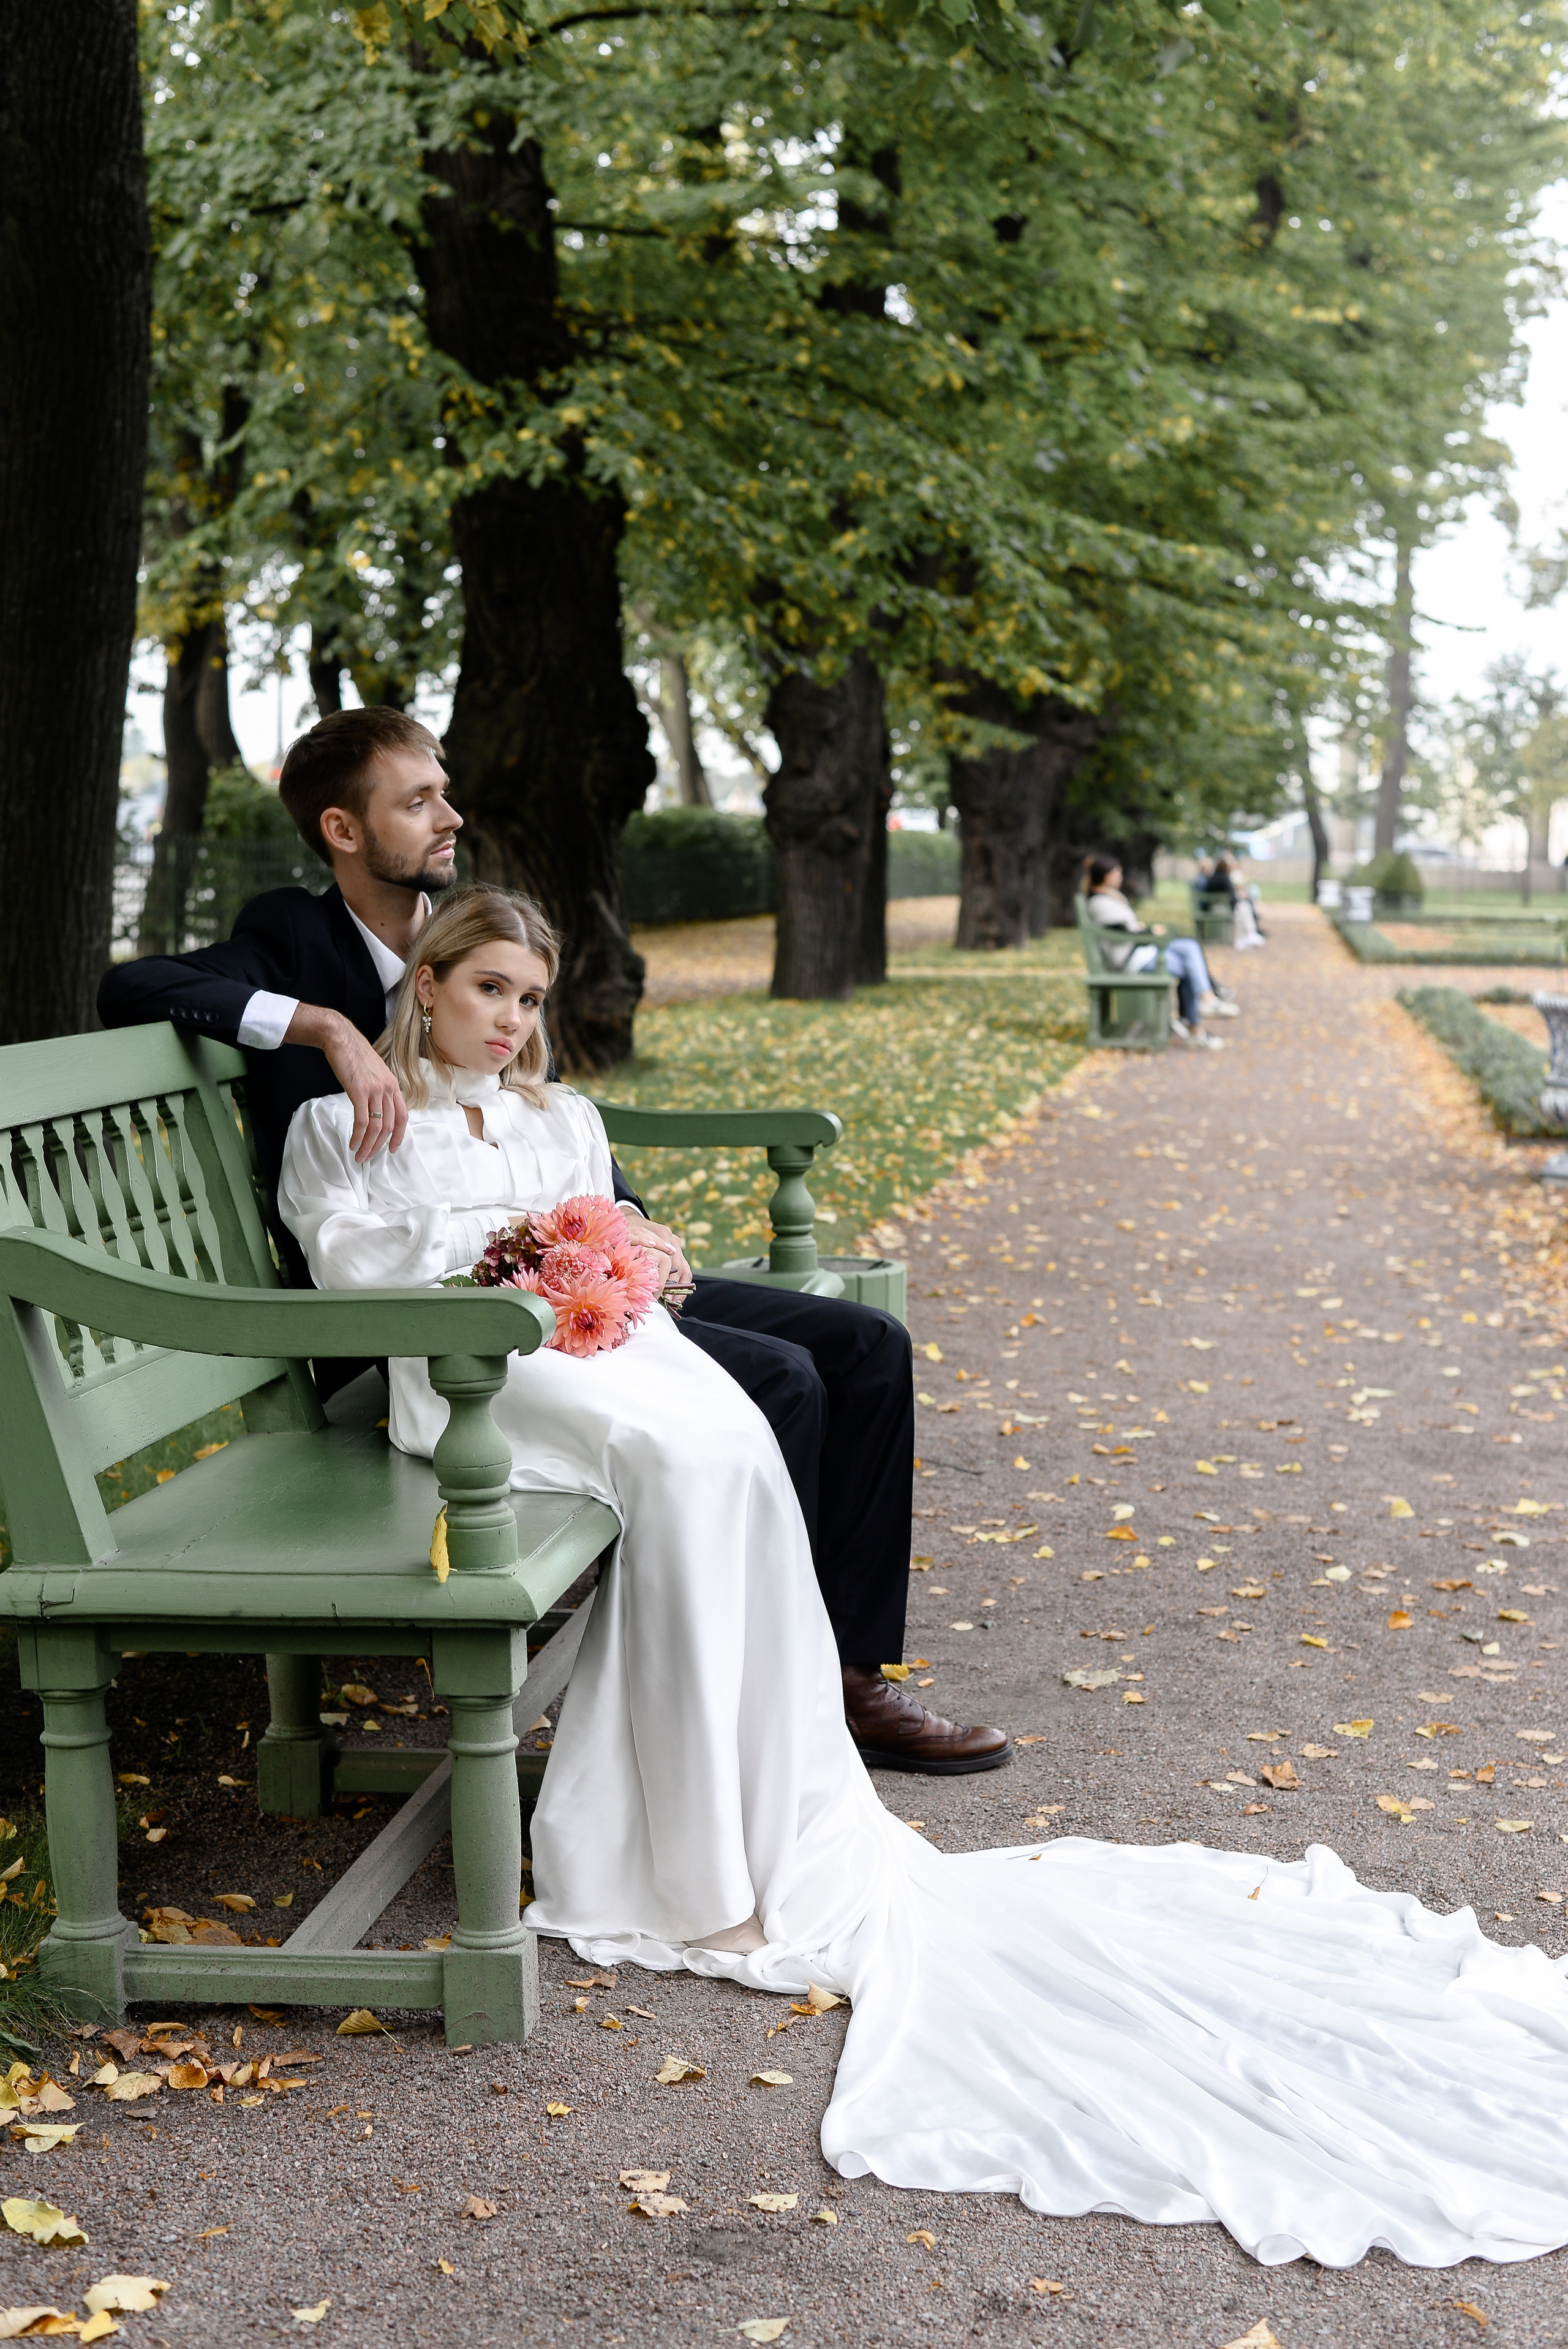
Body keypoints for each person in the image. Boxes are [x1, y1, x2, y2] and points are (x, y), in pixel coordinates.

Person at [279, 884, 1568, 2271]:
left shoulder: (561, 1115)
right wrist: (507, 1262)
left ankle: (773, 1740)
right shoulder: (340, 1118)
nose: (511, 1021)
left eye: (529, 999)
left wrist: (602, 1251)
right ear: (426, 985)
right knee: (707, 1442)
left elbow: (616, 1238)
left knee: (727, 1439)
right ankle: (706, 1773)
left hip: (598, 1344)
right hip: (462, 1377)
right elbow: (346, 1266)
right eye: (487, 992)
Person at [97, 709, 1005, 1777]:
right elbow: (134, 986)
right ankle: (765, 1692)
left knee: (866, 1346)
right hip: (429, 1316)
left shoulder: (475, 933)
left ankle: (848, 1676)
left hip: (567, 1267)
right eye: (418, 799)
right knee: (785, 1378)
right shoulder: (293, 942)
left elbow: (537, 1123)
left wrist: (629, 1220)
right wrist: (324, 1026)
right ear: (343, 828)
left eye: (444, 788)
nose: (451, 812)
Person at [1083, 854, 1238, 1049]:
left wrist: (1144, 930)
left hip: (1137, 951)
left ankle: (1204, 1006)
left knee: (1190, 947)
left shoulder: (1109, 897)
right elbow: (1122, 931)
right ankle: (1199, 1020)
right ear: (1105, 876)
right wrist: (1148, 931)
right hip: (1129, 959)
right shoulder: (1099, 902)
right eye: (1117, 872)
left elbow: (1125, 928)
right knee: (1189, 960)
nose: (1120, 876)